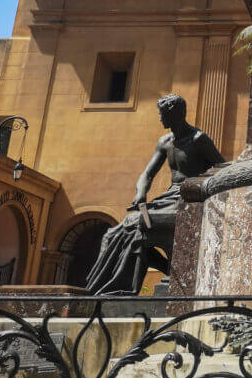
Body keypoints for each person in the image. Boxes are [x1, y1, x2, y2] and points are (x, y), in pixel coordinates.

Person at [86, 94, 224, 295]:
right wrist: (140, 194)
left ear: (174, 114)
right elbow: (148, 174)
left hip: (189, 198)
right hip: (168, 198)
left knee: (136, 227)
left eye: (162, 115)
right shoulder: (165, 142)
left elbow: (221, 167)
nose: (160, 119)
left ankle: (127, 285)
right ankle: (100, 290)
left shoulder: (198, 139)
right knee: (112, 234)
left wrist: (200, 188)